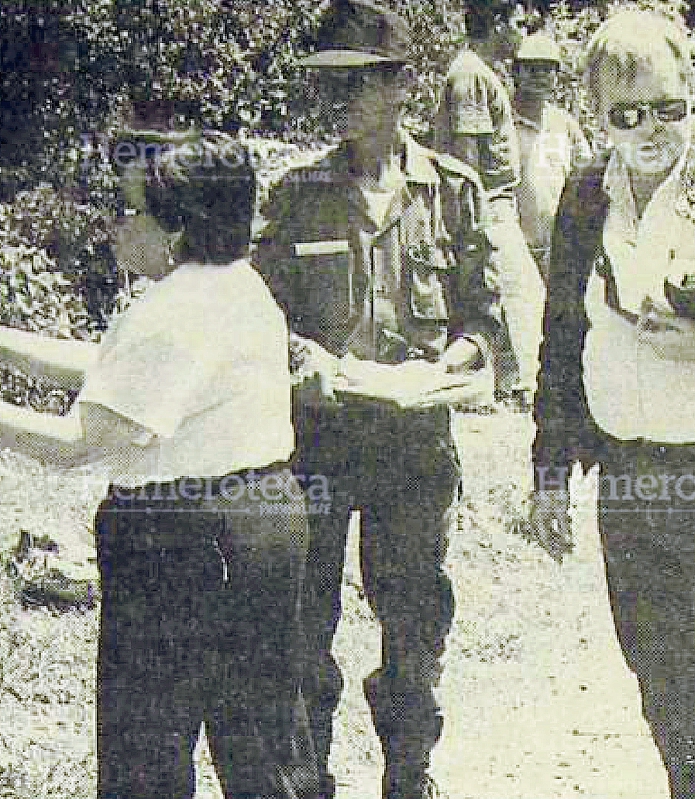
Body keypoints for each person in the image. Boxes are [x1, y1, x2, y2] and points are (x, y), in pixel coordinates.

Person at [0, 131, 318, 799]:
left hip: (184, 541)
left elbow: (75, 442)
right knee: (263, 744)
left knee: (145, 752)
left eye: (129, 208)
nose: (113, 224)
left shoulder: (172, 311)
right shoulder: (234, 285)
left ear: (177, 228)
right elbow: (111, 368)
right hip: (261, 522)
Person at [526, 9, 695, 798]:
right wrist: (551, 469)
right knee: (667, 685)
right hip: (632, 474)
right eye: (628, 114)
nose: (651, 129)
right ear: (595, 114)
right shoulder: (586, 193)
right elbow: (562, 334)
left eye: (668, 107)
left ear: (694, 93)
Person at [255, 2, 501, 796]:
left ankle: (410, 773)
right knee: (302, 623)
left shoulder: (453, 191)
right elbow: (260, 317)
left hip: (414, 441)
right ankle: (306, 778)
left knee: (415, 621)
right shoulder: (296, 194)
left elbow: (484, 320)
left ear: (401, 85)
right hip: (319, 439)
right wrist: (303, 357)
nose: (337, 99)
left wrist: (455, 363)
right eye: (326, 83)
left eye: (356, 81)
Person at [433, 0, 544, 408]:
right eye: (516, 22)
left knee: (515, 296)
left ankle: (510, 386)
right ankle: (520, 389)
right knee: (518, 295)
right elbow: (465, 159)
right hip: (488, 206)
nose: (521, 32)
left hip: (498, 204)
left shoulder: (479, 73)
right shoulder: (470, 75)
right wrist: (473, 220)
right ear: (496, 23)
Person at [511, 31, 591, 283]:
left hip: (560, 249)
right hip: (516, 249)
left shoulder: (564, 123)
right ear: (516, 72)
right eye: (532, 69)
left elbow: (587, 176)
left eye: (548, 70)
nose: (540, 77)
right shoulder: (503, 122)